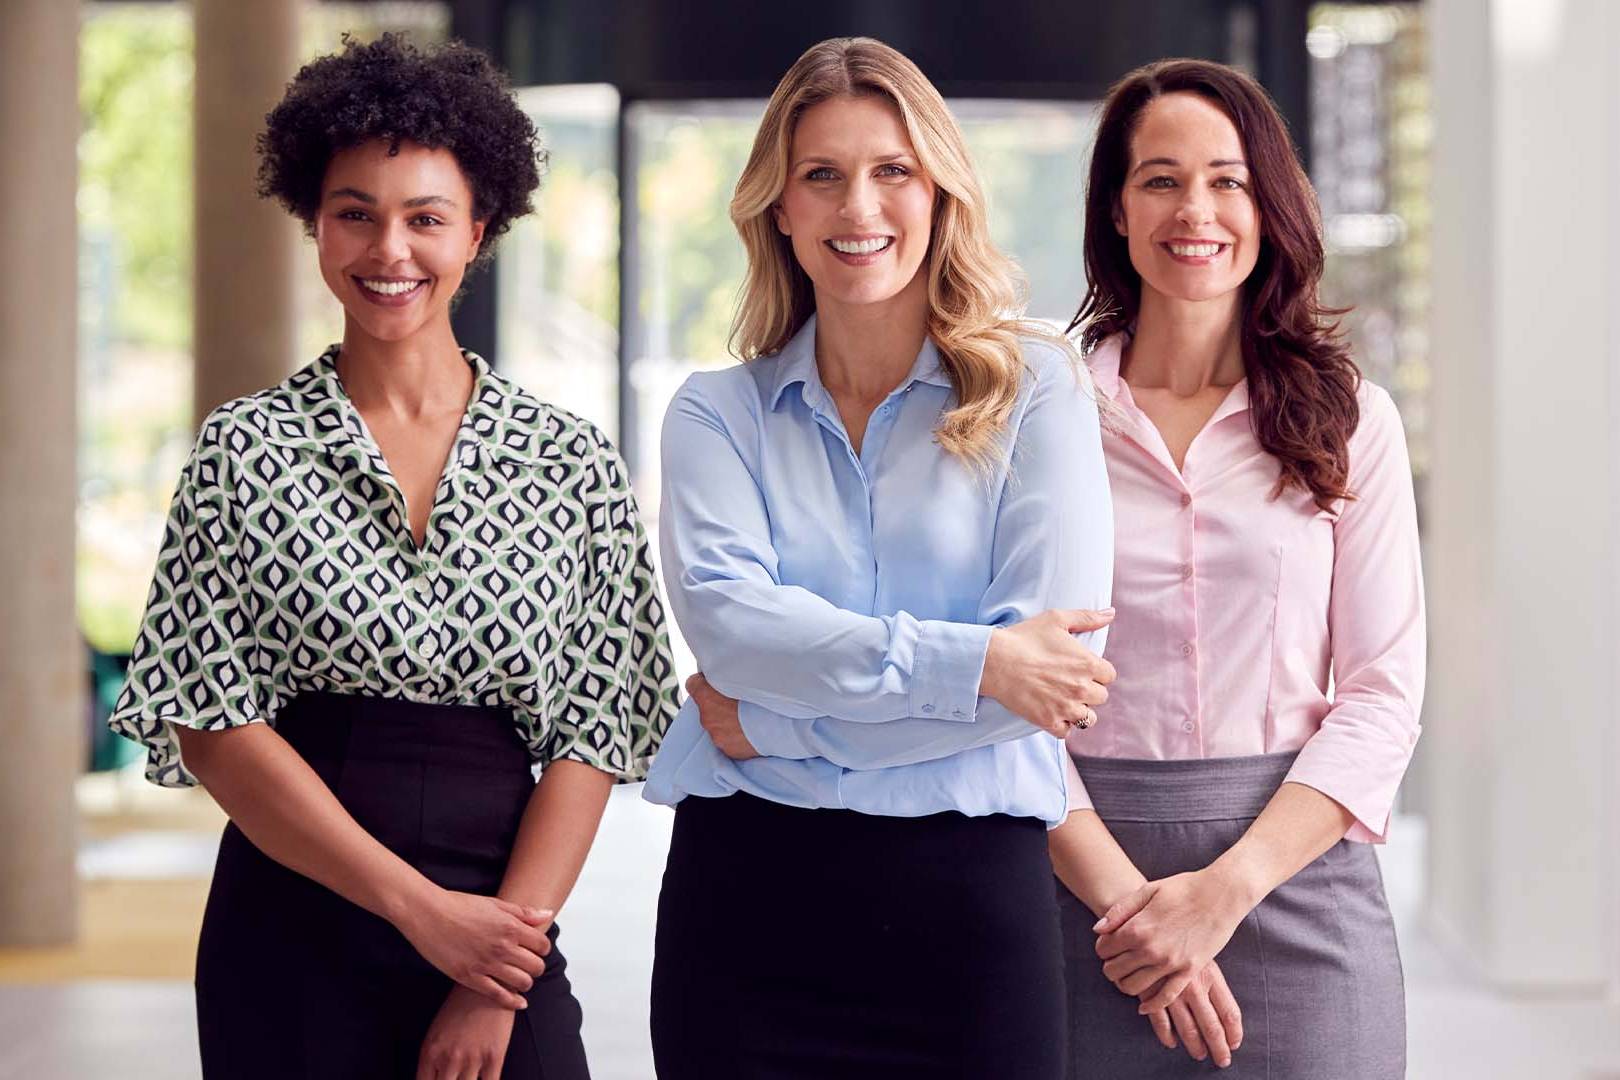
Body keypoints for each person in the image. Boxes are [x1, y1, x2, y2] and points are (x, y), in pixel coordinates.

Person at [108, 34, 678, 1080]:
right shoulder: (245, 450)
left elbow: (597, 730)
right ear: (315, 223)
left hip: (503, 922)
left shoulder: (569, 460)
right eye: (354, 213)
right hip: (291, 929)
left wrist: (489, 966)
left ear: (480, 232)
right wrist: (421, 913)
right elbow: (212, 721)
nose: (389, 251)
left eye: (426, 218)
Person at [641, 36, 1116, 1080]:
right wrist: (979, 663)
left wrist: (766, 721)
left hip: (969, 909)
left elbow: (1050, 682)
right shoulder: (715, 414)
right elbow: (730, 626)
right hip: (747, 902)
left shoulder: (1038, 388)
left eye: (892, 171)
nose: (860, 208)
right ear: (780, 207)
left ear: (941, 192)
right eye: (823, 176)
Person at [1047, 58, 1424, 1078]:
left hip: (1294, 872)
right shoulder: (1042, 422)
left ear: (1269, 207)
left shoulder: (1351, 421)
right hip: (1082, 883)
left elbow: (1384, 695)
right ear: (1116, 212)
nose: (1195, 210)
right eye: (1160, 180)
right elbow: (1010, 697)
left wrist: (1223, 892)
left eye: (1228, 180)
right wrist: (1136, 910)